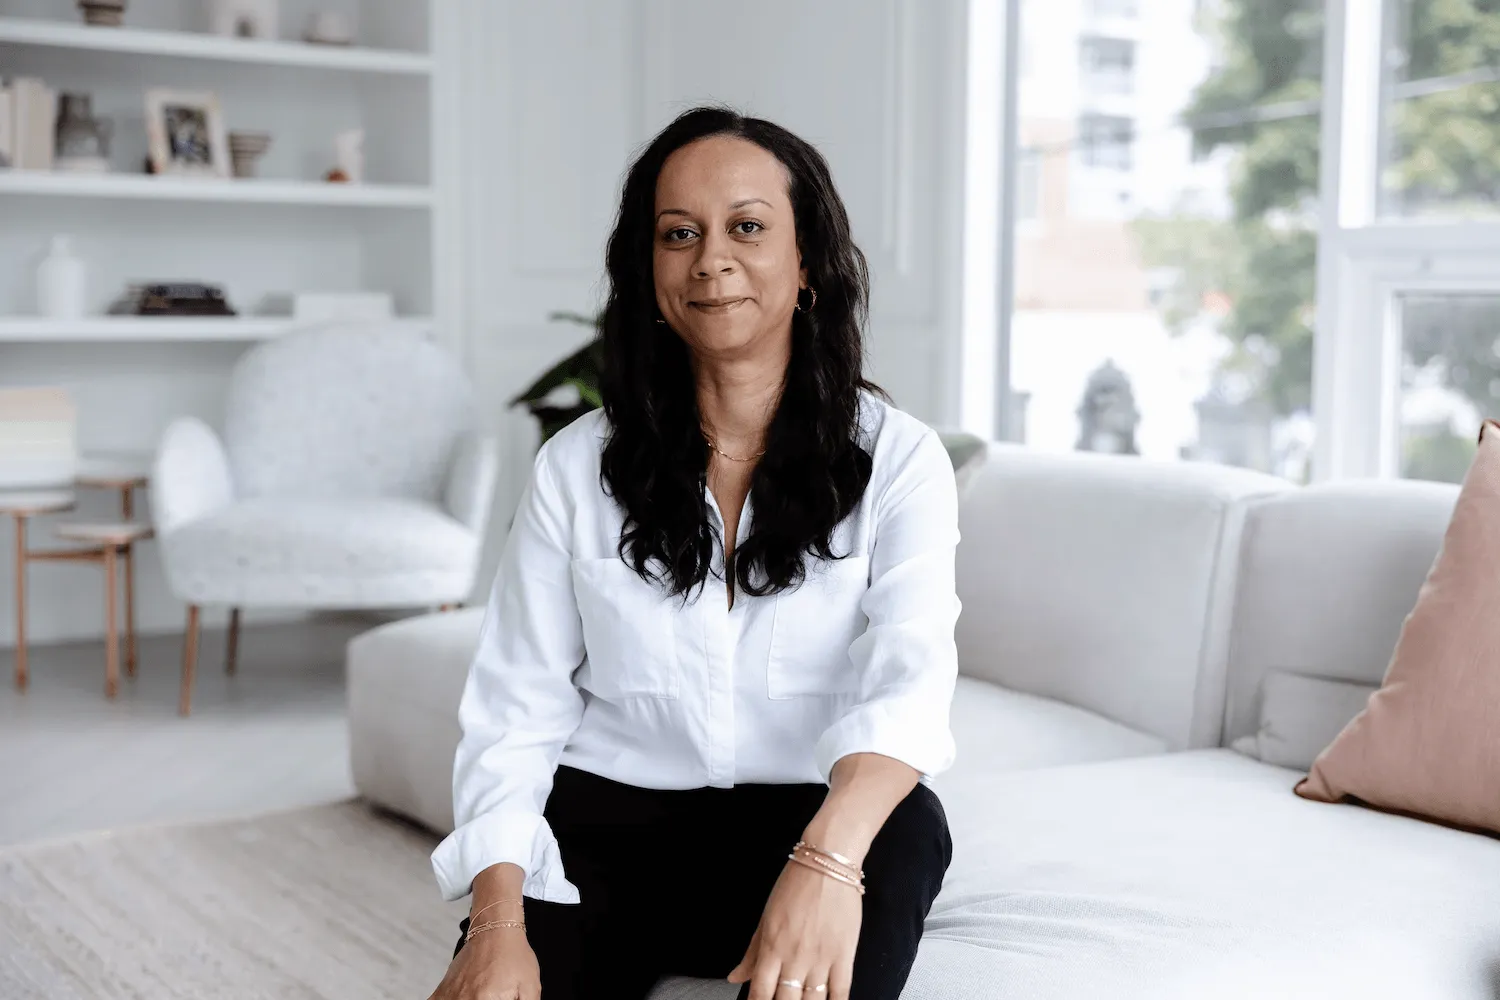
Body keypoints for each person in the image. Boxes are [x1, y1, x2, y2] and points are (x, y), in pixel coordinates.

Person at [426, 105, 960, 1000]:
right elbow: (514, 712)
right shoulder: (575, 468)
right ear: (649, 270)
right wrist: (496, 924)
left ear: (807, 264)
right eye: (680, 234)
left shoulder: (900, 460)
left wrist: (825, 868)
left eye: (748, 227)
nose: (712, 259)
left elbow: (908, 689)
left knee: (908, 824)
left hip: (820, 819)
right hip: (605, 829)